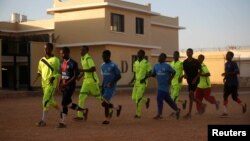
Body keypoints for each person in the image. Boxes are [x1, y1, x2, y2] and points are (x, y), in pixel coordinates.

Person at [74, 46, 112, 123]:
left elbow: (93, 68)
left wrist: (81, 70)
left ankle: (110, 108)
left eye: (83, 50)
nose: (81, 51)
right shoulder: (82, 58)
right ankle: (80, 115)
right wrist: (79, 77)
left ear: (87, 51)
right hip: (86, 81)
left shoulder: (88, 58)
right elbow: (85, 69)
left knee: (99, 98)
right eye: (81, 50)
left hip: (92, 81)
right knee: (81, 96)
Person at [57, 47, 88, 128]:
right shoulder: (61, 62)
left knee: (64, 103)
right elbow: (62, 74)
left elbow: (75, 77)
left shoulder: (73, 63)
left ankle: (63, 122)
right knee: (68, 103)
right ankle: (83, 110)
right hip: (64, 85)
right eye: (60, 53)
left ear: (67, 53)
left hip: (70, 86)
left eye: (63, 53)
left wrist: (66, 84)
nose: (61, 55)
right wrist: (60, 84)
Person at [33, 43, 61, 127]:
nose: (45, 50)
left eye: (47, 48)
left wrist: (54, 77)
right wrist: (35, 79)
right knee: (50, 101)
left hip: (51, 84)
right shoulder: (41, 60)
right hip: (44, 83)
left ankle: (43, 121)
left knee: (45, 100)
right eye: (44, 48)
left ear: (51, 49)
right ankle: (62, 112)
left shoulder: (56, 60)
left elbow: (60, 72)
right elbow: (39, 71)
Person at [151, 53, 181, 119]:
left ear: (164, 59)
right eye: (159, 57)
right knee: (168, 100)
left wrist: (170, 79)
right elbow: (153, 74)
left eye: (161, 57)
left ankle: (159, 114)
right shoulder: (156, 66)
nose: (159, 58)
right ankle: (177, 110)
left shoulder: (167, 66)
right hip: (160, 85)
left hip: (165, 85)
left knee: (159, 98)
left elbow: (174, 72)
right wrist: (150, 74)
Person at [221, 51, 247, 117]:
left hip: (233, 83)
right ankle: (225, 112)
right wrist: (225, 77)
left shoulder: (233, 63)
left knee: (234, 97)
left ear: (231, 56)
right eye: (226, 55)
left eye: (227, 55)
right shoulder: (226, 64)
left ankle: (243, 105)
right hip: (227, 83)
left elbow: (237, 72)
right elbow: (227, 72)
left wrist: (227, 74)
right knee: (225, 96)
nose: (226, 56)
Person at [183, 48, 206, 119]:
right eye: (187, 52)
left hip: (195, 80)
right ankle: (201, 105)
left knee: (190, 94)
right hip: (189, 81)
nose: (188, 53)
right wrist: (185, 75)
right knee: (191, 96)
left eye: (190, 52)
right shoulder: (185, 62)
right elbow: (185, 71)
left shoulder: (196, 61)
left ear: (192, 53)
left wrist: (196, 78)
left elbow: (201, 71)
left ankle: (190, 112)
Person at [101, 50, 122, 124]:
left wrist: (112, 83)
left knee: (105, 103)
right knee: (103, 103)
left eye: (104, 56)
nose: (103, 58)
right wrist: (102, 87)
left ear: (108, 56)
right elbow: (104, 77)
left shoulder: (113, 65)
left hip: (111, 87)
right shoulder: (102, 65)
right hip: (105, 86)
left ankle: (107, 119)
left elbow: (119, 76)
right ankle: (117, 107)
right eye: (102, 56)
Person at [129, 50, 151, 119]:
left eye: (140, 54)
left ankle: (138, 114)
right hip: (136, 83)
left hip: (142, 83)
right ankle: (146, 100)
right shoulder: (135, 63)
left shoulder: (146, 63)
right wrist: (131, 81)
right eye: (138, 53)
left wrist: (144, 79)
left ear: (143, 55)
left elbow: (150, 72)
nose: (138, 55)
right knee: (133, 98)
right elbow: (135, 74)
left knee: (138, 98)